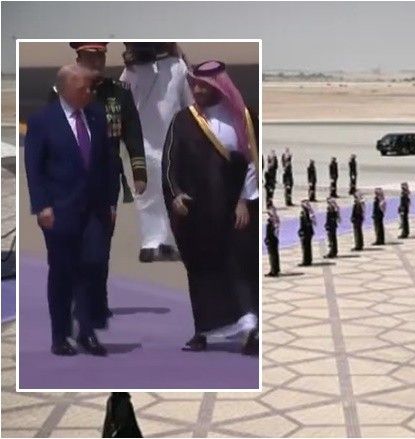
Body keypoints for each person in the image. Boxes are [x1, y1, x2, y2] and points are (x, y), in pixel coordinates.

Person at [162, 60, 260, 352]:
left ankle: (250, 330)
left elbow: (253, 163)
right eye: (195, 86)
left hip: (234, 210)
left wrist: (243, 201)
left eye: (205, 86)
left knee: (240, 266)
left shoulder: (243, 117)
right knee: (201, 270)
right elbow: (169, 163)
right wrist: (176, 194)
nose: (198, 91)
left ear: (220, 86)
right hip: (198, 214)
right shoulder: (183, 120)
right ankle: (204, 331)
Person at [51, 42, 147, 327]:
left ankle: (96, 302)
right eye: (90, 56)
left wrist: (139, 172)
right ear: (79, 57)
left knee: (100, 244)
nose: (96, 62)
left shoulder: (119, 93)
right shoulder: (60, 93)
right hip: (69, 183)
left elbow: (133, 133)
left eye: (100, 56)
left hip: (105, 182)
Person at [25, 64, 117, 356]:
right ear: (65, 89)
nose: (89, 92)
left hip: (95, 210)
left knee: (93, 266)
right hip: (59, 210)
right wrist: (41, 206)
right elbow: (34, 168)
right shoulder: (43, 121)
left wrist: (111, 201)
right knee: (63, 272)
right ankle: (60, 335)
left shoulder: (97, 115)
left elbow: (108, 162)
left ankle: (87, 331)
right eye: (83, 88)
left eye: (90, 88)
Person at [121, 42, 192, 263]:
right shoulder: (176, 67)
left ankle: (153, 244)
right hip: (163, 145)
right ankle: (162, 243)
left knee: (151, 196)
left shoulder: (131, 71)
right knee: (163, 194)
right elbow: (189, 104)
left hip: (147, 146)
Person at [298, 200, 315, 266]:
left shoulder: (305, 213)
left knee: (305, 247)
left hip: (305, 232)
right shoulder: (309, 212)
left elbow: (304, 223)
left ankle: (306, 261)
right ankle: (308, 260)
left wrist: (301, 231)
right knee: (308, 247)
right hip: (309, 232)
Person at [264, 207, 280, 277]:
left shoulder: (273, 221)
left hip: (272, 239)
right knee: (274, 255)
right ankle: (276, 269)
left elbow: (273, 231)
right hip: (274, 239)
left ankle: (273, 271)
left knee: (272, 256)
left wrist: (268, 239)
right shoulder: (275, 219)